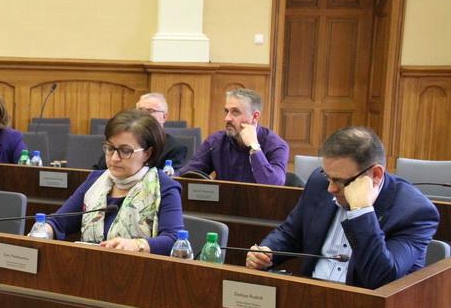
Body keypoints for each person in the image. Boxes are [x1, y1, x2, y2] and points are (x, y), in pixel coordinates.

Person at [245, 127, 439, 289]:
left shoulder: (415, 212)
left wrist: (361, 211)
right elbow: (291, 233)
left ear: (376, 175)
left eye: (340, 181)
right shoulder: (320, 182)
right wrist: (267, 251)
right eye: (328, 176)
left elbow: (380, 280)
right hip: (309, 297)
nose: (331, 188)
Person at [35, 109, 184, 255]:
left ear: (147, 153)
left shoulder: (164, 187)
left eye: (125, 151)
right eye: (110, 148)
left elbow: (174, 239)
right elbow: (59, 222)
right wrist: (44, 230)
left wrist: (137, 245)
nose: (114, 158)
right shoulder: (95, 180)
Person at [179, 88, 288, 184]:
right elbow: (185, 175)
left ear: (255, 117)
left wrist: (254, 148)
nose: (227, 118)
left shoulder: (276, 145)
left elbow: (273, 185)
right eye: (226, 111)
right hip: (224, 201)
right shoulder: (216, 141)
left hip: (259, 201)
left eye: (235, 112)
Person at [93, 93, 188, 171]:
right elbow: (99, 170)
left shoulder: (175, 148)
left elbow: (168, 179)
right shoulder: (121, 140)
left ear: (164, 117)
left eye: (150, 110)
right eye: (140, 110)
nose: (144, 114)